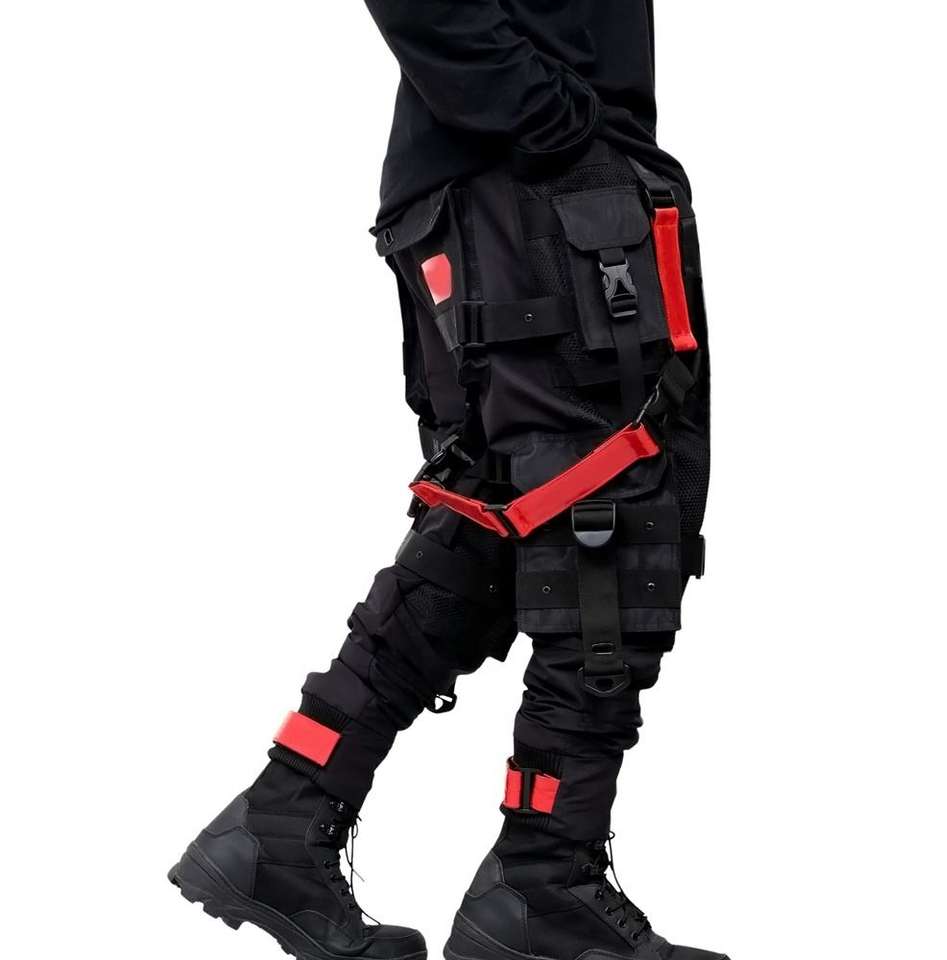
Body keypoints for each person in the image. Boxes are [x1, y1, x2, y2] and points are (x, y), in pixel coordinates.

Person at [169, 3, 725, 959]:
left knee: (504, 522)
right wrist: (555, 123)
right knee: (611, 514)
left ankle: (283, 818)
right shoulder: (541, 136)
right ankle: (544, 881)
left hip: (511, 183)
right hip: (532, 183)